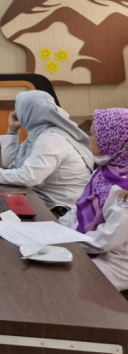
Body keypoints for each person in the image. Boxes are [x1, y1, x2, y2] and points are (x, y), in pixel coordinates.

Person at [0, 91, 93, 214]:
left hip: (61, 211)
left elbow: (29, 177)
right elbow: (11, 164)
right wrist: (12, 131)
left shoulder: (51, 139)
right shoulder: (40, 132)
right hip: (42, 200)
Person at [60, 108, 128, 291]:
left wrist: (65, 240)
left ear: (111, 140)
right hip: (87, 246)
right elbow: (78, 209)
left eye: (91, 135)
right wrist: (58, 228)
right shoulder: (103, 172)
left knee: (58, 281)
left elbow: (108, 240)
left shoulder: (125, 189)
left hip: (115, 263)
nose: (88, 140)